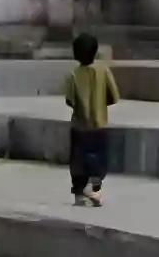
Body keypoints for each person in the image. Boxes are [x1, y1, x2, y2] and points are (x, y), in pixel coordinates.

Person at [64, 32, 121, 207]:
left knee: (78, 162)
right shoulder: (103, 71)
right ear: (95, 52)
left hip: (80, 127)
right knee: (99, 161)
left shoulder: (73, 75)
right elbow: (114, 96)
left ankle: (79, 194)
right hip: (100, 126)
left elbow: (69, 100)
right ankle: (94, 190)